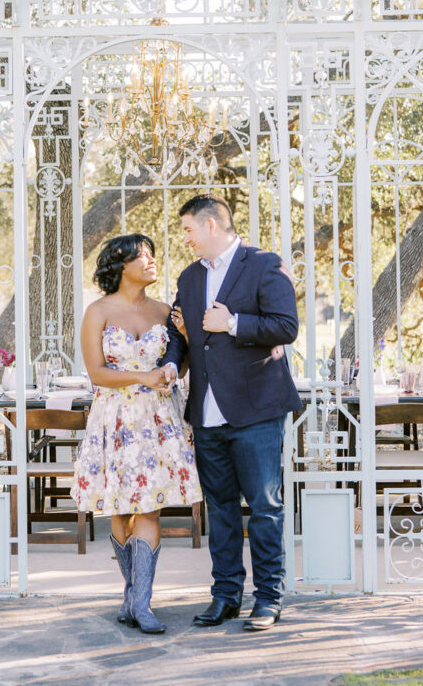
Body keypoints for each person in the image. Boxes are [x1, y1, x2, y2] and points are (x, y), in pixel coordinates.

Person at [160, 194, 300, 632]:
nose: (185, 238)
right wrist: (170, 360)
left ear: (211, 226)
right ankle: (224, 597)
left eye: (188, 229)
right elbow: (180, 334)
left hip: (257, 409)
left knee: (264, 506)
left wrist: (234, 323)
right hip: (206, 412)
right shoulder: (188, 277)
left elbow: (286, 326)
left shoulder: (264, 264)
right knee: (219, 509)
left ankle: (269, 599)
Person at [72, 233, 202, 634]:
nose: (150, 261)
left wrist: (174, 362)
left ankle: (142, 604)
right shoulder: (97, 311)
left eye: (151, 255)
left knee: (149, 507)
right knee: (121, 509)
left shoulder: (165, 311)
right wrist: (141, 376)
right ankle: (130, 593)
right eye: (140, 256)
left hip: (157, 420)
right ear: (120, 265)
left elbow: (177, 364)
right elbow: (96, 373)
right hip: (113, 420)